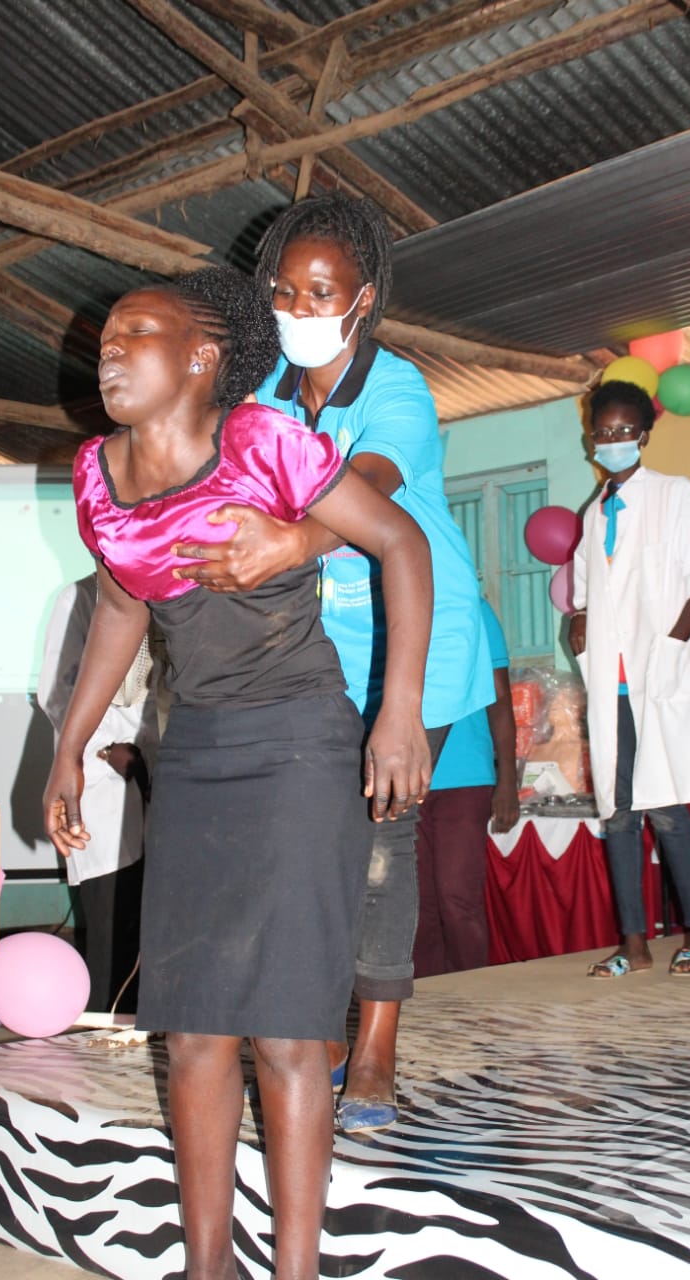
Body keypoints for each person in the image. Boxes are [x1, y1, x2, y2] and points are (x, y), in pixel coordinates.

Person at [42, 265, 433, 1280]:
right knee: (195, 1025)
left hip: (301, 741)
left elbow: (400, 541)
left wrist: (395, 712)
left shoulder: (259, 443)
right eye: (106, 336)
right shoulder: (99, 472)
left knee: (287, 1031)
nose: (112, 347)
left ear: (206, 356)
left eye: (137, 330)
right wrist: (69, 746)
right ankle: (208, 1265)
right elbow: (124, 606)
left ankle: (295, 1270)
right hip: (202, 750)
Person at [171, 192, 494, 1132]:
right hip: (316, 652)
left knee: (384, 836)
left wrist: (289, 544)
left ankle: (380, 1043)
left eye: (323, 293)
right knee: (313, 843)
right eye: (286, 291)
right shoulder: (265, 392)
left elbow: (372, 490)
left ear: (362, 301)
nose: (300, 310)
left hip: (415, 638)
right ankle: (309, 1024)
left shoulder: (396, 389)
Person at [569, 379, 690, 980]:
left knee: (665, 807)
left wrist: (667, 651)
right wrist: (580, 622)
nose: (610, 441)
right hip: (610, 685)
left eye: (621, 432)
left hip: (657, 675)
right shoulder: (593, 513)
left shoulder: (674, 495)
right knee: (617, 812)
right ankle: (632, 944)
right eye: (600, 433)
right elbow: (585, 592)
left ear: (644, 436)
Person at [37, 573, 161, 1013]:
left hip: (168, 780)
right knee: (115, 926)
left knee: (166, 927)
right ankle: (104, 1035)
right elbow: (59, 696)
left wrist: (148, 752)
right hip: (101, 783)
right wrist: (114, 748)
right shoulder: (80, 597)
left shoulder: (176, 593)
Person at [413, 597, 519, 977]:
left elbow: (500, 697)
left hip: (464, 775)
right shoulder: (390, 601)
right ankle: (427, 998)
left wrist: (507, 778)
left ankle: (474, 992)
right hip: (406, 773)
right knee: (415, 904)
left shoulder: (472, 608)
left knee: (457, 897)